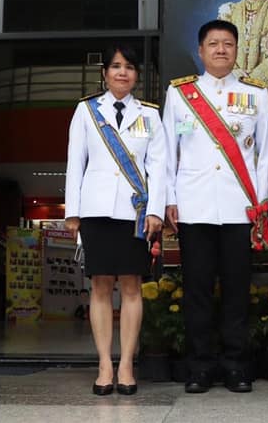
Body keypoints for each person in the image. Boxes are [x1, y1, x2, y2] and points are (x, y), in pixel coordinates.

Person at [163, 20, 268, 394]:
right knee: (197, 290)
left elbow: (266, 154)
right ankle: (200, 366)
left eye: (228, 43)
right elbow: (167, 153)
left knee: (238, 290)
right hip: (194, 207)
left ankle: (237, 365)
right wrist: (171, 199)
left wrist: (263, 201)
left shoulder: (256, 95)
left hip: (239, 207)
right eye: (213, 44)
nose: (221, 49)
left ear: (237, 50)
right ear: (201, 51)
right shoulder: (180, 94)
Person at [63, 44, 165, 396]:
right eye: (116, 66)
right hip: (96, 212)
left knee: (132, 287)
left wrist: (155, 209)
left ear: (137, 75)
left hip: (134, 213)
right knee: (101, 287)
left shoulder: (150, 114)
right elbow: (76, 161)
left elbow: (158, 167)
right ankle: (105, 363)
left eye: (130, 67)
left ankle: (127, 365)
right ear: (105, 73)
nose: (123, 72)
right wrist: (72, 213)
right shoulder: (87, 110)